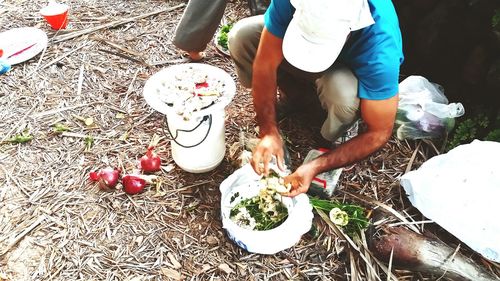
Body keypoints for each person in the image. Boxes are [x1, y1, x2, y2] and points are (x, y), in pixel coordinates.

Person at [227, 0, 404, 196]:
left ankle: (331, 134)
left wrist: (315, 166)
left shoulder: (380, 48)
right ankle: (297, 97)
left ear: (348, 32)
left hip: (346, 71)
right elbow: (265, 64)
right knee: (242, 36)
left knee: (343, 96)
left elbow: (379, 132)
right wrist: (268, 130)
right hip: (315, 51)